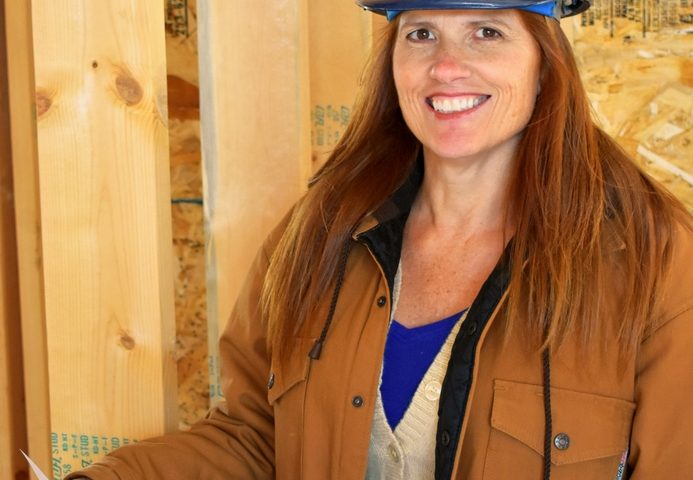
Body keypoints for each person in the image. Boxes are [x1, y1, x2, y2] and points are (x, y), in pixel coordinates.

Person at [67, 0, 693, 478]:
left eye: (487, 32)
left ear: (544, 63)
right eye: (420, 33)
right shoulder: (319, 233)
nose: (446, 67)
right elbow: (254, 439)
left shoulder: (655, 262)